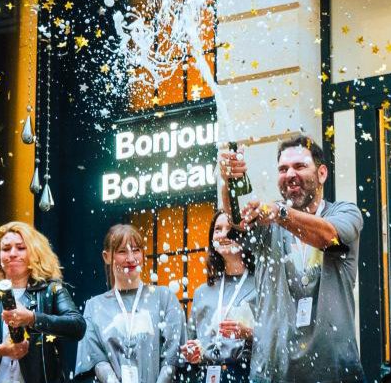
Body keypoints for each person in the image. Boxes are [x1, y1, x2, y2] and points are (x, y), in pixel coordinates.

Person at [219, 134, 364, 383]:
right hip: (272, 373)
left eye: (299, 166)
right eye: (283, 169)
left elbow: (329, 236)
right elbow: (237, 220)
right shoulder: (269, 219)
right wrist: (228, 182)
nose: (290, 174)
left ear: (322, 173)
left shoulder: (345, 212)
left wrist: (281, 213)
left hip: (334, 372)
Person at [0, 221, 86, 383]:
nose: (12, 254)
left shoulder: (51, 290)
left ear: (34, 253)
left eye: (21, 247)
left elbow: (78, 326)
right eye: (5, 249)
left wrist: (32, 318)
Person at [76, 223, 187, 383]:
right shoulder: (94, 306)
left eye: (136, 250)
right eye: (122, 251)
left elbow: (172, 357)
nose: (131, 258)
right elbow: (96, 360)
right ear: (106, 256)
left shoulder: (165, 297)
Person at [182, 211, 258, 382]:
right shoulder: (202, 292)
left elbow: (274, 338)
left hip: (246, 374)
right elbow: (192, 339)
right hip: (205, 375)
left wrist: (248, 333)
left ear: (246, 235)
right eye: (218, 229)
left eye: (230, 229)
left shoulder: (260, 285)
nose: (223, 234)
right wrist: (192, 351)